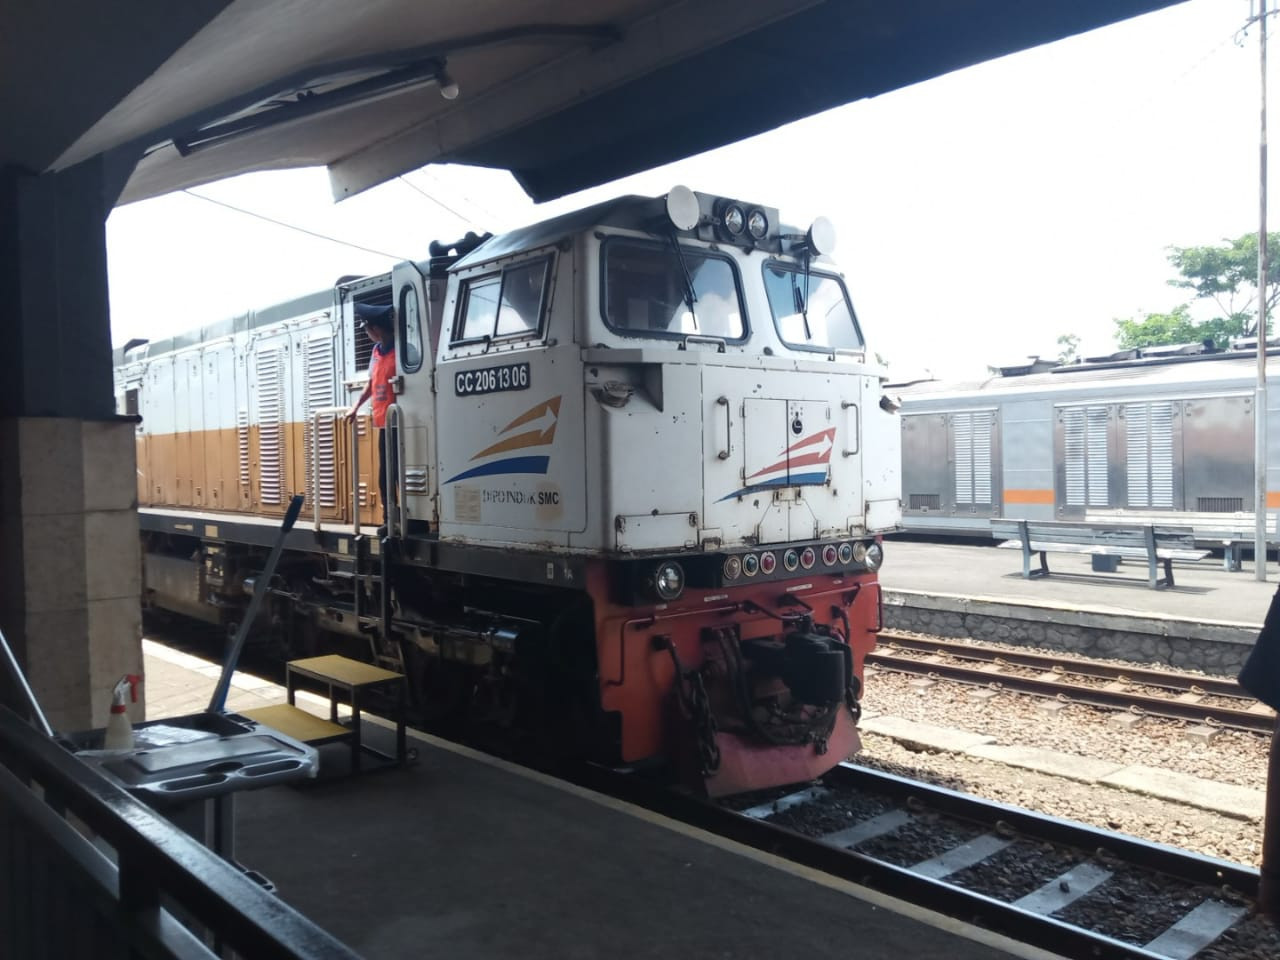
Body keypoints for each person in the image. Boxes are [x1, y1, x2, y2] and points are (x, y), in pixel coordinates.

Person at [346, 304, 397, 531]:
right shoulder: (377, 351)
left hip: (400, 423)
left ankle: (400, 519)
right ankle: (390, 518)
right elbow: (371, 382)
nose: (365, 333)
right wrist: (356, 406)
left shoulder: (402, 351)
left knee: (396, 473)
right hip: (383, 423)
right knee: (385, 474)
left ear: (375, 328)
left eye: (365, 328)